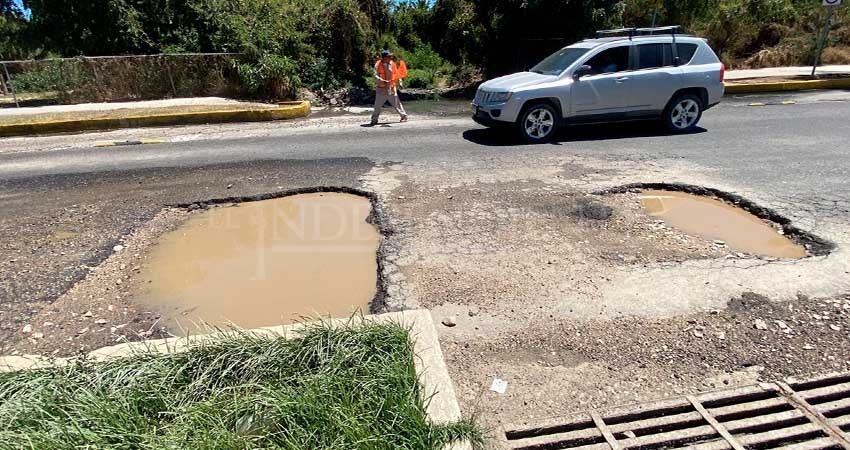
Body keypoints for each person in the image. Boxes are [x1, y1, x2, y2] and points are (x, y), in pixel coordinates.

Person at [371, 50, 408, 125]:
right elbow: (375, 76)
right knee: (377, 106)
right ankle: (374, 120)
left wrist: (400, 83)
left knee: (397, 104)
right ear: (384, 57)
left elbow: (396, 74)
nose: (390, 57)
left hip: (391, 88)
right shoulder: (378, 64)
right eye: (389, 56)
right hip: (381, 89)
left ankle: (404, 116)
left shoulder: (392, 64)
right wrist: (382, 81)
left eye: (390, 56)